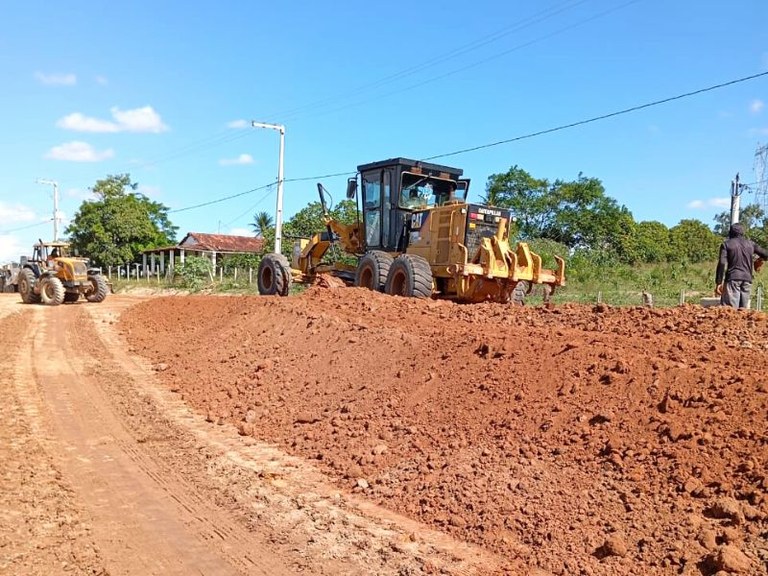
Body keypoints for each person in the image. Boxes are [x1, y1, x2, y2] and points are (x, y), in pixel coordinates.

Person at [715, 222, 768, 309]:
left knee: (730, 311)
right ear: (743, 232)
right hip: (747, 280)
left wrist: (718, 282)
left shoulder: (726, 244)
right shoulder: (751, 244)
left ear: (730, 233)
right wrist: (760, 259)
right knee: (743, 311)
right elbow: (766, 254)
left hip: (732, 279)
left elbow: (722, 263)